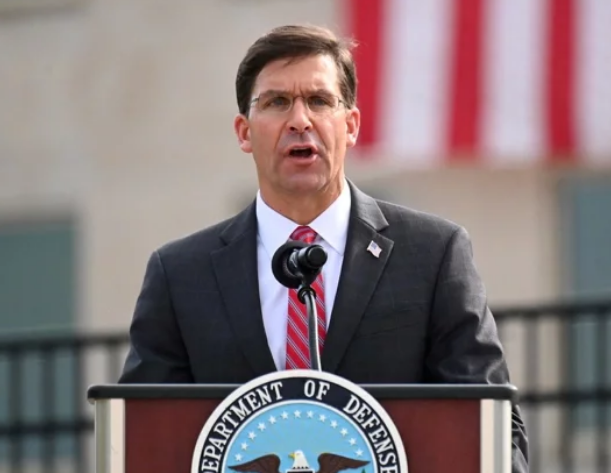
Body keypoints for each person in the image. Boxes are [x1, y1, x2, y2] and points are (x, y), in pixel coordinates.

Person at [118, 24, 529, 472]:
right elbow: (146, 440)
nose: (300, 120)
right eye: (277, 102)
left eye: (318, 100)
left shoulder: (433, 254)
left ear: (350, 125)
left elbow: (492, 429)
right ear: (244, 132)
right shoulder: (180, 275)